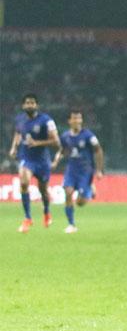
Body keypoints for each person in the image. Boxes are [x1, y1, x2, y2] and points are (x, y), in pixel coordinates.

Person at [8, 93, 60, 233]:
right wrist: (14, 147)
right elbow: (18, 133)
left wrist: (37, 143)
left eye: (32, 103)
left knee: (43, 190)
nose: (29, 105)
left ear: (36, 105)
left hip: (42, 160)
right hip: (27, 157)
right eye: (27, 103)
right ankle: (27, 218)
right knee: (24, 183)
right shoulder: (20, 119)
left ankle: (47, 212)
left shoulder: (46, 120)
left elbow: (56, 141)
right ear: (23, 105)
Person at [51, 110, 104, 234]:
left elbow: (98, 150)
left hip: (85, 171)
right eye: (74, 118)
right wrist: (55, 161)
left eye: (79, 118)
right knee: (68, 192)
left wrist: (99, 169)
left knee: (80, 203)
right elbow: (62, 150)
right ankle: (71, 224)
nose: (77, 121)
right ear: (70, 121)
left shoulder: (88, 136)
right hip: (71, 169)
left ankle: (90, 189)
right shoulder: (65, 136)